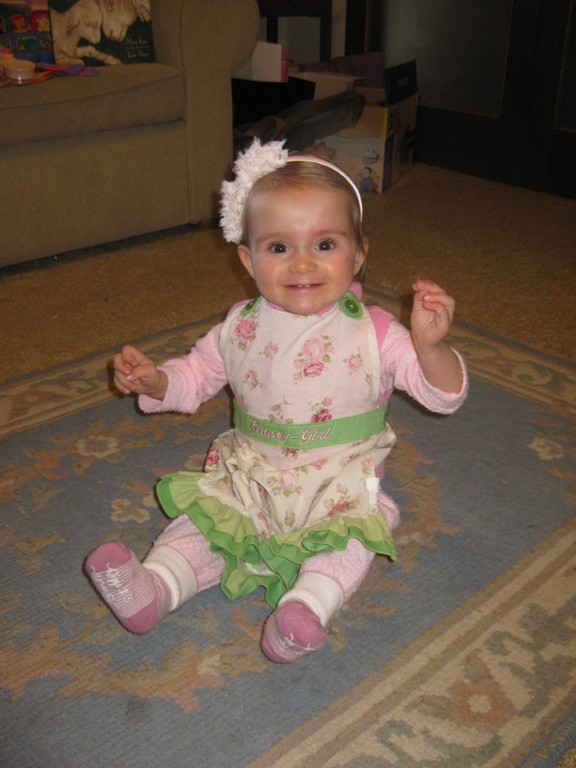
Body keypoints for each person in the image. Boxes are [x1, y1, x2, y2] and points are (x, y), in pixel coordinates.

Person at [86, 139, 468, 663]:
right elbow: (194, 377)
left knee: (349, 543)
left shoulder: (377, 334)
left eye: (325, 244)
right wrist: (156, 382)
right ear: (248, 259)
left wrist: (431, 349)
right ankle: (156, 585)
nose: (302, 263)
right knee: (205, 521)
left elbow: (442, 396)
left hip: (337, 487)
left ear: (359, 253)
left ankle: (304, 610)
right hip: (252, 477)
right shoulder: (238, 327)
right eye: (279, 248)